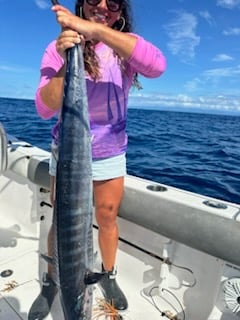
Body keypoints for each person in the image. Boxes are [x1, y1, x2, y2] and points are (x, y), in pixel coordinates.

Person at [28, 0, 166, 319]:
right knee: (63, 221)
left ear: (121, 11)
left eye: (113, 1)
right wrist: (67, 58)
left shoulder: (122, 49)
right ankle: (53, 281)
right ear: (81, 4)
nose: (102, 5)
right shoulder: (56, 48)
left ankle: (108, 274)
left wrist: (96, 30)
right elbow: (44, 108)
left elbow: (158, 66)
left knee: (107, 216)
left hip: (110, 150)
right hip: (69, 153)